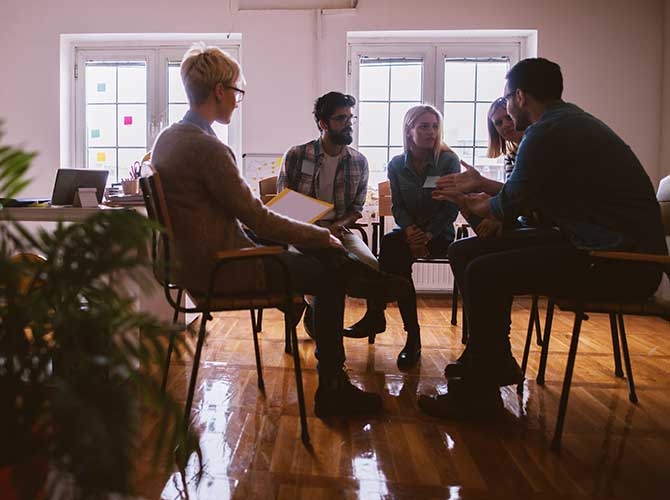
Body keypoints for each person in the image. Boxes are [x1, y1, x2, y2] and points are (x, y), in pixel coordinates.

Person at [151, 43, 408, 417]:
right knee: (327, 273)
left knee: (324, 257)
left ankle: (358, 277)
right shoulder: (207, 148)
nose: (239, 101)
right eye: (237, 92)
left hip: (196, 262)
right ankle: (333, 387)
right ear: (219, 91)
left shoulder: (169, 139)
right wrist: (319, 235)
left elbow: (240, 216)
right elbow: (258, 217)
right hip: (224, 268)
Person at [418, 57, 667, 419]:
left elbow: (506, 206)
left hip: (619, 262)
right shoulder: (566, 122)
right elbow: (531, 205)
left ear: (520, 96)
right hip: (596, 245)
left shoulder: (546, 132)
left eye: (506, 100)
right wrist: (480, 198)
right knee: (464, 252)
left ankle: (481, 392)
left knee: (484, 270)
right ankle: (490, 356)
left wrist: (464, 198)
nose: (504, 108)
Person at [346, 105, 460, 369]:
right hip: (410, 234)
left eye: (434, 126)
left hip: (440, 234)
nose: (431, 131)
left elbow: (451, 206)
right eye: (423, 126)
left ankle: (379, 316)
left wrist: (427, 235)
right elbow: (398, 206)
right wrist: (410, 230)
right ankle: (411, 335)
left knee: (393, 252)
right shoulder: (397, 164)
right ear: (409, 131)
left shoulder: (447, 161)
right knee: (392, 247)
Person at [277, 92, 379, 340]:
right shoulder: (297, 155)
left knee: (371, 264)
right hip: (302, 232)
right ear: (323, 123)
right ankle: (316, 310)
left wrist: (338, 224)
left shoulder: (359, 161)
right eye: (341, 118)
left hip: (339, 231)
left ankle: (375, 315)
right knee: (323, 269)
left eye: (350, 118)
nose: (348, 124)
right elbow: (283, 202)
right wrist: (312, 226)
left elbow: (356, 207)